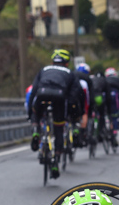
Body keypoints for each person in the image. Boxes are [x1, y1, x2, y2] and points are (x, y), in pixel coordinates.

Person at [27, 49, 83, 179]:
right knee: (58, 128)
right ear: (67, 63)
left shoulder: (44, 70)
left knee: (37, 113)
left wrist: (31, 111)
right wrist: (71, 108)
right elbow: (76, 92)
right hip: (59, 97)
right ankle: (55, 160)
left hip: (42, 94)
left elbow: (34, 89)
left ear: (52, 61)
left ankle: (36, 131)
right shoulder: (70, 73)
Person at [73, 62, 94, 147]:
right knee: (84, 111)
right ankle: (81, 133)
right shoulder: (87, 79)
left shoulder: (72, 74)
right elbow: (90, 95)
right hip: (83, 90)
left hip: (71, 91)